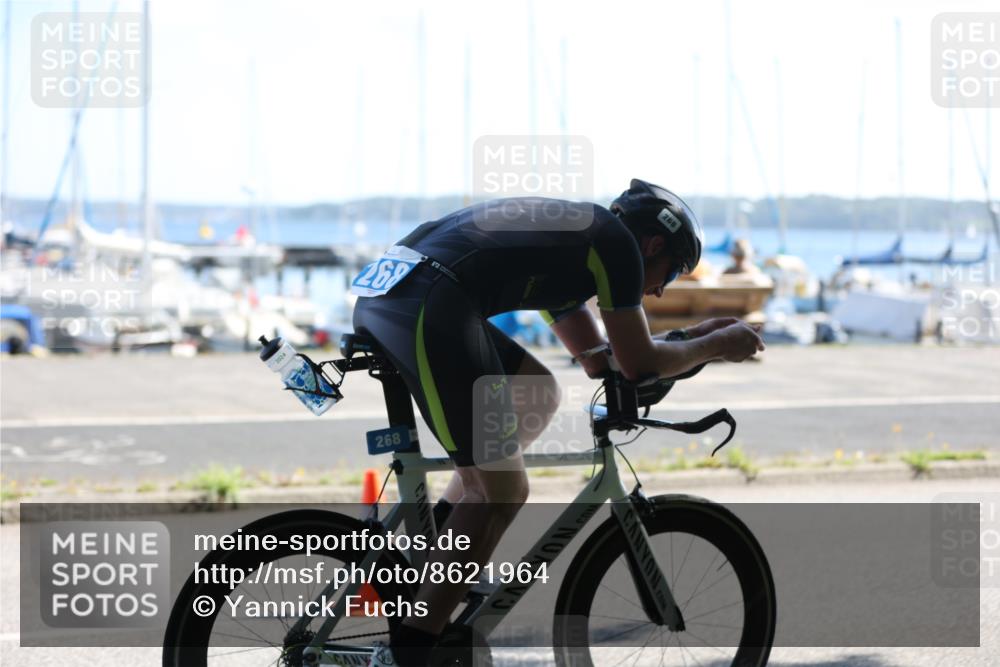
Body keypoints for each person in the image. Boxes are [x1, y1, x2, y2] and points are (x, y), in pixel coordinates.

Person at [353, 178, 765, 666]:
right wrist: (717, 345)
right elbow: (639, 364)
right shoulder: (614, 245)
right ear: (652, 244)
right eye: (669, 273)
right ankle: (412, 654)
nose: (656, 289)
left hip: (396, 295)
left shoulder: (575, 243)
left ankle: (441, 549)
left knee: (538, 391)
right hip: (429, 305)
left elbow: (600, 359)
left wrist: (688, 337)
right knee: (502, 491)